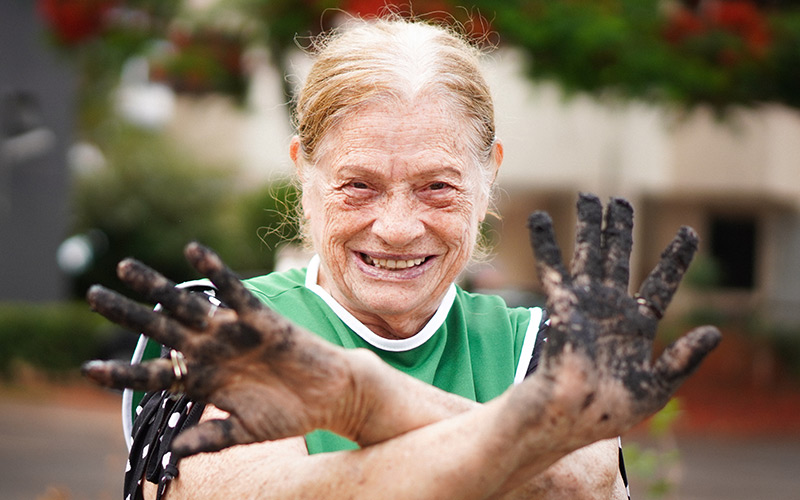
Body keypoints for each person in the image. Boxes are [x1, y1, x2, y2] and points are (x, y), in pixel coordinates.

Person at [82, 16, 720, 500]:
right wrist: (531, 429)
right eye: (359, 185)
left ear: (488, 176)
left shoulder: (539, 342)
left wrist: (368, 403)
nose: (396, 228)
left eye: (437, 186)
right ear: (305, 171)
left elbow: (584, 478)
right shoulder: (220, 322)